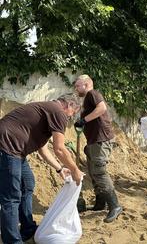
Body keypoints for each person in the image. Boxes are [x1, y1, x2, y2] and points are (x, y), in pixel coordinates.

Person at [0, 93, 83, 244]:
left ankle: (28, 229)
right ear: (69, 105)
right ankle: (12, 240)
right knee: (11, 197)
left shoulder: (47, 112)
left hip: (15, 151)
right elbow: (59, 148)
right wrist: (75, 169)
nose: (71, 117)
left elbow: (43, 149)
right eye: (74, 112)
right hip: (7, 148)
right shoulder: (58, 112)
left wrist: (59, 168)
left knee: (28, 183)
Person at [73, 74, 122, 223]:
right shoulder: (88, 98)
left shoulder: (92, 94)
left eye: (77, 86)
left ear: (86, 84)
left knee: (99, 172)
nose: (76, 89)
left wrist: (84, 120)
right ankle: (100, 203)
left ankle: (115, 205)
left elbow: (102, 108)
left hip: (101, 140)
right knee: (94, 172)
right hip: (94, 141)